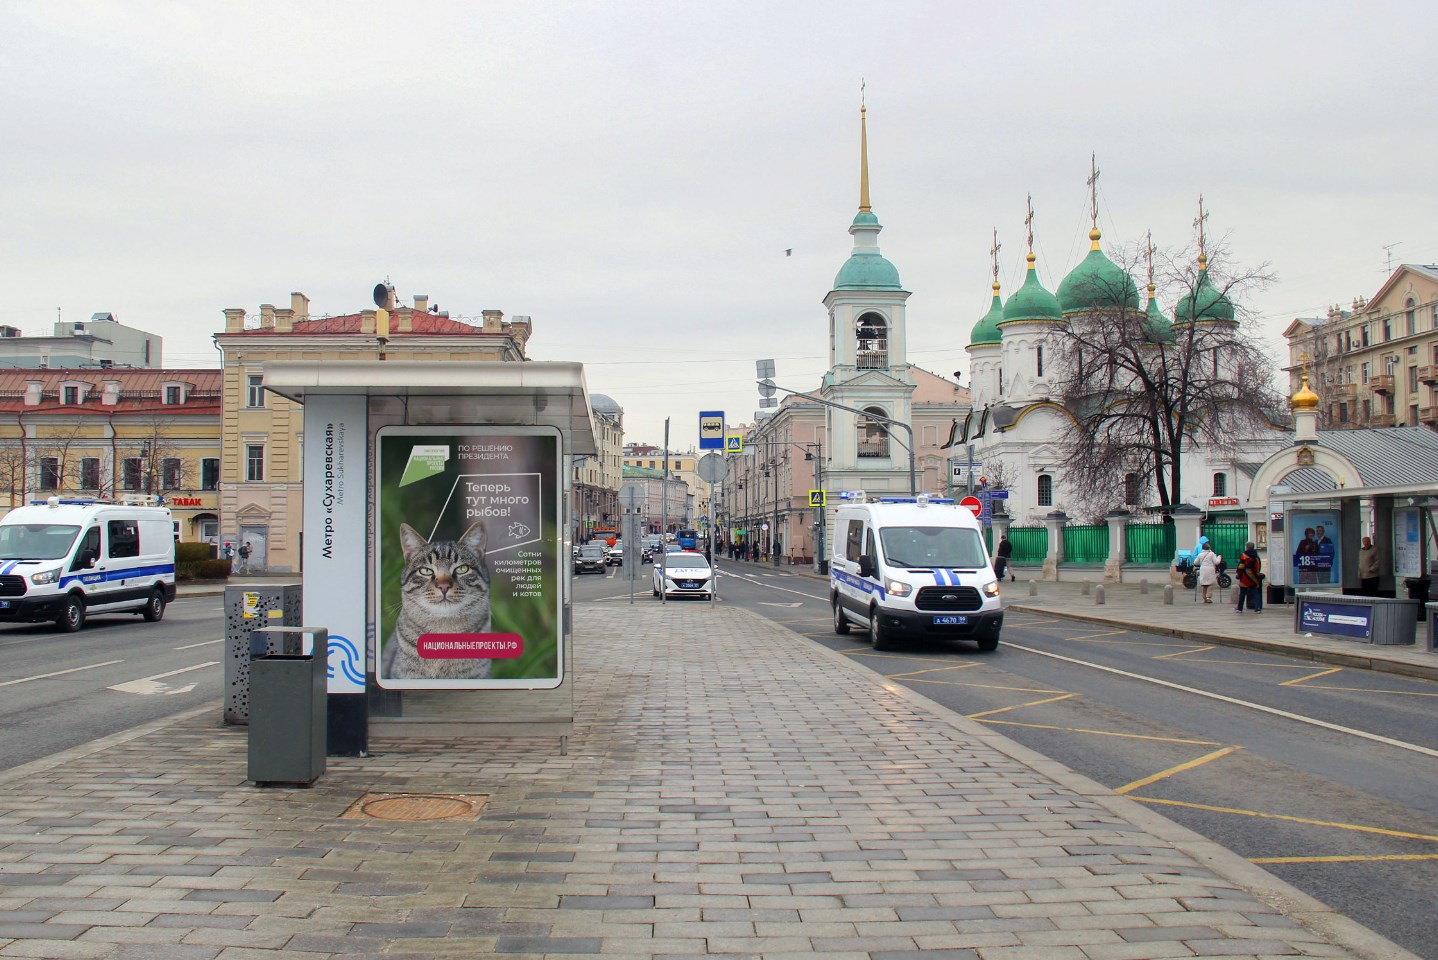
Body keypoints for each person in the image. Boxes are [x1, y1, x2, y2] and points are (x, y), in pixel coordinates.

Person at [1235, 542, 1263, 613]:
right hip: (1254, 578)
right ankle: (1257, 608)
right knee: (1255, 593)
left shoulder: (1244, 556)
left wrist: (1238, 574)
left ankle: (1239, 608)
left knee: (1242, 593)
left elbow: (1241, 566)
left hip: (1245, 577)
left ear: (1247, 547)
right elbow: (1258, 566)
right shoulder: (1257, 556)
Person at [1194, 539, 1221, 603]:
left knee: (1204, 584)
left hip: (1203, 569)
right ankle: (1208, 597)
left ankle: (1204, 598)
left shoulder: (1200, 554)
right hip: (1210, 570)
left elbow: (1195, 562)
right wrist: (1219, 558)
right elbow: (1216, 562)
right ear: (1209, 548)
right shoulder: (1212, 554)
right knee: (1210, 584)